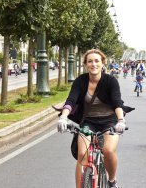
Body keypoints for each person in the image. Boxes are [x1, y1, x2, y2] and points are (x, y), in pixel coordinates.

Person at [56, 49, 133, 188]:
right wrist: (63, 117)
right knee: (82, 154)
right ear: (86, 64)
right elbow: (70, 100)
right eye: (90, 61)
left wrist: (121, 121)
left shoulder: (110, 81)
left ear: (103, 63)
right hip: (88, 122)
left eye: (97, 61)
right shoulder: (80, 81)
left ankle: (112, 181)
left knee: (108, 151)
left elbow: (117, 102)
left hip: (109, 121)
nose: (94, 64)